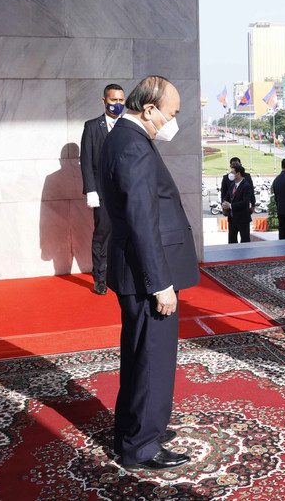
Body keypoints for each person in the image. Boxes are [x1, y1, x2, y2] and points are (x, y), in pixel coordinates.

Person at [98, 76, 200, 471]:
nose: (173, 120)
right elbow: (143, 219)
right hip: (147, 275)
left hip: (138, 267)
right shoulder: (133, 145)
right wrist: (160, 283)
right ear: (150, 108)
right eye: (172, 113)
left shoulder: (126, 137)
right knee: (152, 359)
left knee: (140, 355)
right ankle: (142, 445)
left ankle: (136, 427)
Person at [80, 83, 125, 295]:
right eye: (113, 100)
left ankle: (123, 274)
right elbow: (86, 160)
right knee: (102, 235)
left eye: (121, 100)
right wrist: (91, 190)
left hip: (127, 192)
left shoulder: (128, 125)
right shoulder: (92, 127)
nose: (117, 104)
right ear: (104, 101)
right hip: (103, 193)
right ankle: (100, 278)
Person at [223, 164, 253, 244]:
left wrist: (231, 206)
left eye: (232, 172)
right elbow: (227, 196)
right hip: (232, 218)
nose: (230, 174)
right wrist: (225, 204)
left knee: (245, 240)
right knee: (232, 241)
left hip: (242, 218)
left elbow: (245, 202)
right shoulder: (232, 185)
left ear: (238, 174)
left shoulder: (246, 186)